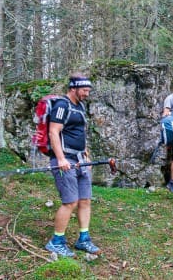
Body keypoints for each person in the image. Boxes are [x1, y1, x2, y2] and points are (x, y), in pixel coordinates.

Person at [45, 72, 101, 257]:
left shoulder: (81, 106)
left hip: (80, 160)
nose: (87, 93)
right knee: (70, 202)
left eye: (88, 90)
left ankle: (83, 239)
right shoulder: (62, 105)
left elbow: (80, 133)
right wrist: (60, 159)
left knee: (85, 200)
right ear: (73, 88)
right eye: (84, 90)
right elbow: (54, 132)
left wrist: (86, 155)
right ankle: (56, 241)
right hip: (65, 160)